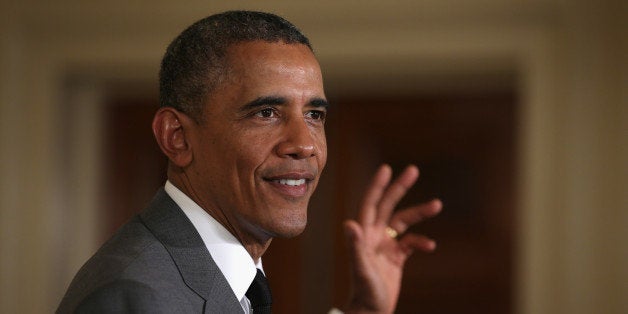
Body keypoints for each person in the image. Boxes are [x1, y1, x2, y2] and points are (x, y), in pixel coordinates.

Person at [57, 10, 441, 314]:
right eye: (267, 113)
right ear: (177, 137)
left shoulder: (224, 274)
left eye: (314, 115)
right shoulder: (135, 298)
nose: (304, 145)